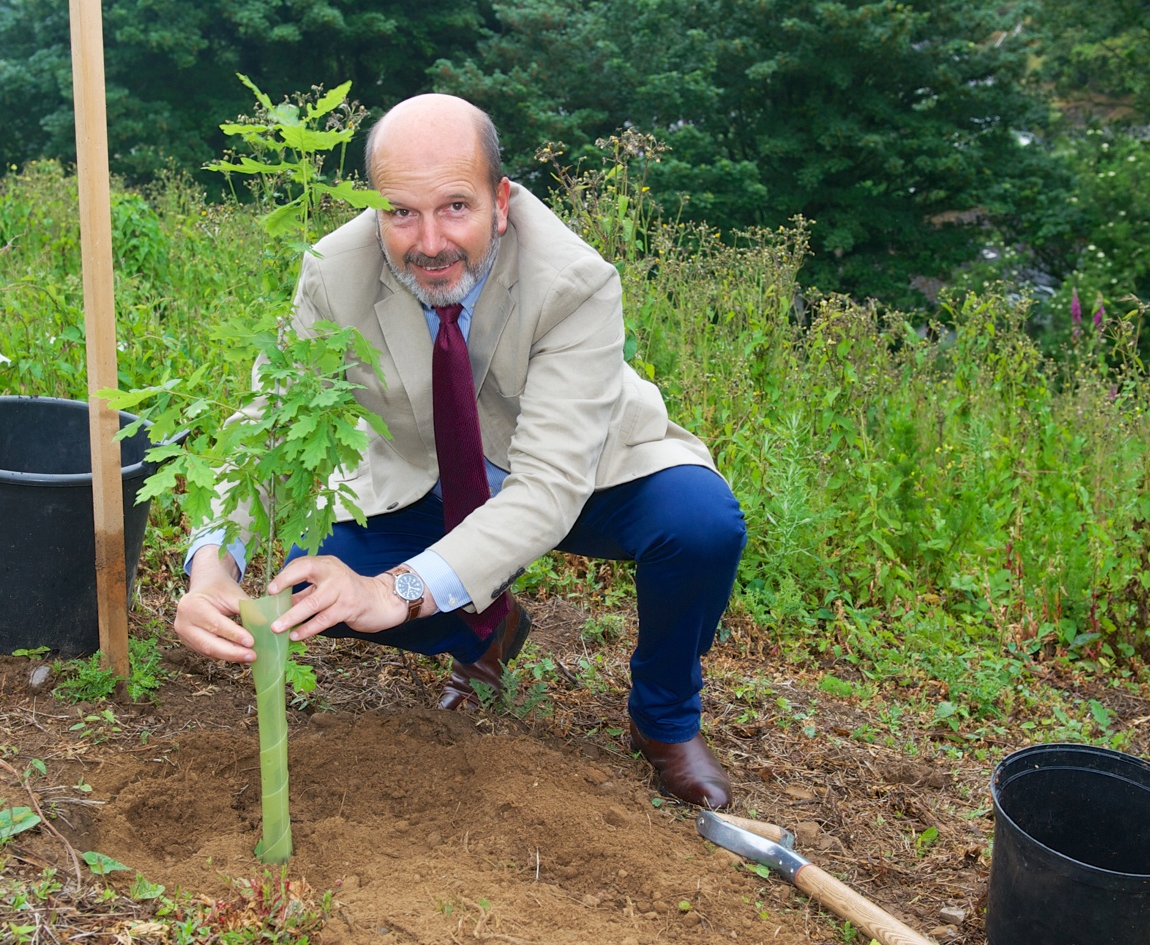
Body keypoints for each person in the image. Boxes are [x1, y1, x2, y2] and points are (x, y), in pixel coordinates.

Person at [174, 93, 747, 808]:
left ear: (501, 202)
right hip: (431, 481)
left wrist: (395, 589)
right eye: (400, 212)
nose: (428, 241)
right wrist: (210, 564)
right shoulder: (334, 273)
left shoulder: (575, 280)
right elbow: (268, 425)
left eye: (455, 207)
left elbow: (546, 489)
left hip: (579, 475)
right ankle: (488, 631)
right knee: (306, 585)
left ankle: (663, 719)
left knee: (700, 522)